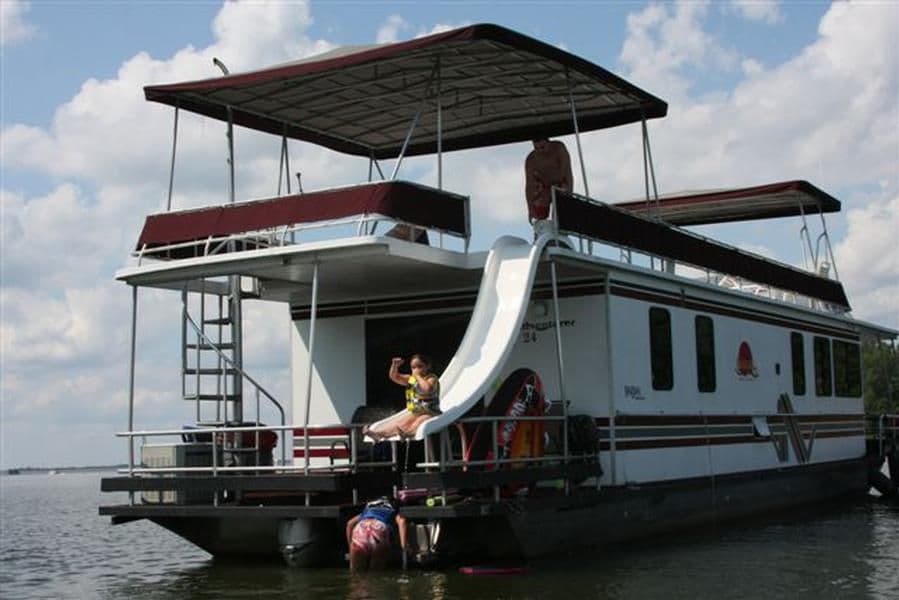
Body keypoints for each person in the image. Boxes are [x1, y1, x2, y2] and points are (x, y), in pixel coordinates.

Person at [365, 354, 441, 440]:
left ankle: (408, 433)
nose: (416, 370)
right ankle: (380, 434)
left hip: (431, 413)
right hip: (417, 412)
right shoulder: (412, 379)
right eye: (413, 367)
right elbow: (395, 377)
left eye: (419, 366)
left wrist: (418, 376)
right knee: (401, 423)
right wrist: (394, 366)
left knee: (420, 421)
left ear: (428, 366)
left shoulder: (431, 378)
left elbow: (427, 389)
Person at [346, 497, 408, 571]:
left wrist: (350, 547)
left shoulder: (368, 509)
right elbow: (402, 522)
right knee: (375, 575)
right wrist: (403, 548)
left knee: (356, 575)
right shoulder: (392, 508)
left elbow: (349, 524)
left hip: (361, 530)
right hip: (378, 531)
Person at [524, 137, 573, 223]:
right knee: (538, 212)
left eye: (542, 147)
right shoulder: (531, 160)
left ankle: (560, 224)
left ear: (548, 143)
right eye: (536, 148)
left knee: (561, 212)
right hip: (543, 185)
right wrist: (530, 209)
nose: (540, 151)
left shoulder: (559, 149)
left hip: (560, 182)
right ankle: (540, 229)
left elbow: (567, 174)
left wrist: (569, 196)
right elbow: (529, 186)